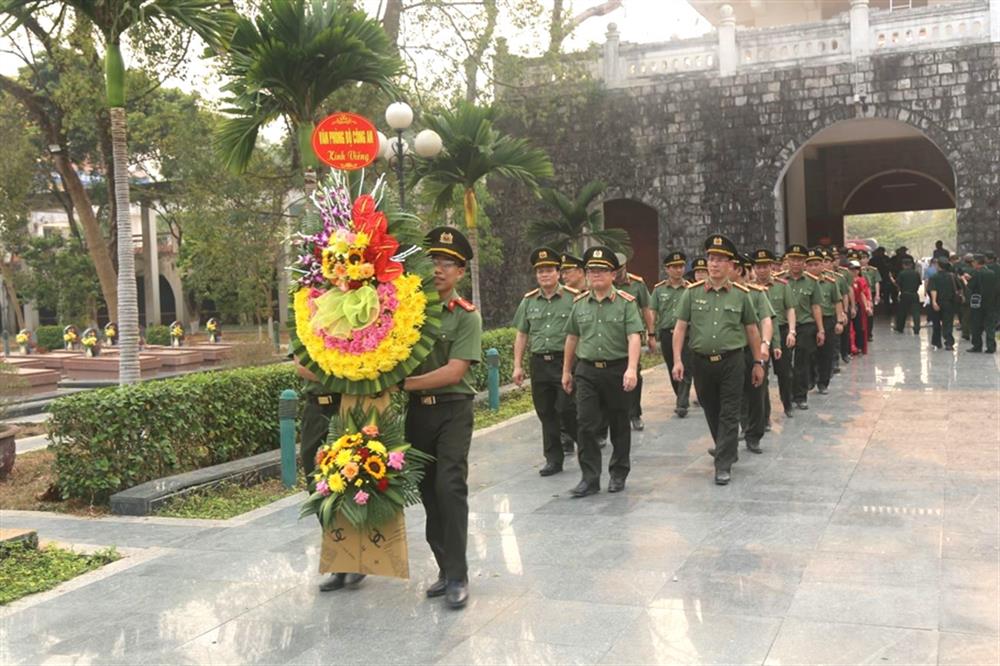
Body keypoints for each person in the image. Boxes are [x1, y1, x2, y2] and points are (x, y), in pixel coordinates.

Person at [402, 226, 483, 609]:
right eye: (432, 261)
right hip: (418, 414)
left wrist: (405, 383)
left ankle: (458, 575)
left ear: (460, 272)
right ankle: (442, 566)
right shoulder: (407, 313)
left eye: (447, 264)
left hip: (453, 409)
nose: (438, 269)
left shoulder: (466, 316)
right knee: (428, 491)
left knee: (450, 487)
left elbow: (455, 371)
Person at [672, 234, 764, 485]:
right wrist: (678, 360)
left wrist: (758, 362)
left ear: (731, 265)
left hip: (732, 361)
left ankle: (722, 464)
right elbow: (680, 328)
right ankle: (727, 447)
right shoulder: (690, 294)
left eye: (720, 260)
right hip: (700, 361)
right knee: (711, 408)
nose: (713, 264)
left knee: (730, 411)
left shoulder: (742, 295)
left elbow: (752, 330)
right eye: (711, 259)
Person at [562, 246, 643, 497]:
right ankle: (590, 478)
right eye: (592, 271)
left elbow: (633, 336)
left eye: (602, 270)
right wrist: (566, 371)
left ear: (613, 275)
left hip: (617, 369)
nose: (596, 275)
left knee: (619, 422)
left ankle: (618, 473)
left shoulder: (626, 303)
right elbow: (572, 338)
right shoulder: (579, 304)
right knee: (585, 423)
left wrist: (631, 369)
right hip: (587, 370)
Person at [295, 363, 365, 592]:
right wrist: (344, 374)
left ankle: (354, 557)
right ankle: (340, 560)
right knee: (318, 486)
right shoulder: (305, 326)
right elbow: (301, 367)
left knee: (350, 481)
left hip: (346, 406)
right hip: (316, 410)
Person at [512, 247, 579, 477]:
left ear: (558, 273)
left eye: (549, 270)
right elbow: (522, 334)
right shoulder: (529, 302)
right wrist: (517, 365)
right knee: (546, 412)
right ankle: (553, 459)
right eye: (540, 271)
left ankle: (586, 447)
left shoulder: (572, 298)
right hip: (540, 363)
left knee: (567, 408)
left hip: (565, 362)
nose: (545, 275)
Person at [735, 254, 774, 454]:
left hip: (754, 350)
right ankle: (742, 428)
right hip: (732, 352)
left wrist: (765, 345)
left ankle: (754, 434)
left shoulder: (756, 294)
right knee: (735, 395)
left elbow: (766, 320)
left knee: (756, 393)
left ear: (739, 270)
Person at [613, 254, 654, 431]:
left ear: (625, 267)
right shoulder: (606, 284)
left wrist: (651, 334)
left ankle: (635, 414)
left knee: (634, 374)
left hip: (632, 339)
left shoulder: (637, 284)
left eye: (620, 269)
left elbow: (646, 309)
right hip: (612, 339)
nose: (618, 273)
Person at [752, 249, 795, 418]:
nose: (762, 270)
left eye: (765, 266)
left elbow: (790, 308)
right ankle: (765, 416)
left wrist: (792, 331)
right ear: (754, 268)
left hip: (781, 333)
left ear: (771, 266)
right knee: (762, 377)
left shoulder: (782, 285)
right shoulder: (749, 288)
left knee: (785, 373)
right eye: (758, 267)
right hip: (758, 336)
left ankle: (788, 404)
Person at [651, 250, 693, 417]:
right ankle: (680, 395)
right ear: (667, 269)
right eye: (674, 267)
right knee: (672, 366)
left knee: (686, 365)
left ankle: (682, 402)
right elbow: (652, 312)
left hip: (687, 333)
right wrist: (651, 333)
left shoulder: (690, 289)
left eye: (681, 266)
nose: (678, 270)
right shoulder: (659, 290)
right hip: (667, 334)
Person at [785, 244, 824, 410]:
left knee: (802, 363)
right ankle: (787, 395)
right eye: (793, 259)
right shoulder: (780, 280)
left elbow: (816, 306)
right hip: (784, 326)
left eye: (799, 260)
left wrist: (820, 329)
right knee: (785, 364)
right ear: (787, 260)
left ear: (804, 262)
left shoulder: (812, 282)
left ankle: (800, 397)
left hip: (806, 326)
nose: (796, 263)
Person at [558, 253, 587, 454]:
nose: (564, 276)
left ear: (580, 271)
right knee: (564, 402)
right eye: (562, 272)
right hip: (565, 355)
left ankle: (592, 434)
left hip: (586, 356)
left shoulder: (592, 293)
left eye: (567, 271)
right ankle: (566, 436)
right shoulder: (561, 296)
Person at [811, 248, 844, 396]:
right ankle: (811, 377)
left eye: (818, 263)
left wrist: (839, 321)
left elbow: (837, 301)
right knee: (809, 353)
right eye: (810, 264)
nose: (814, 267)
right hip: (809, 321)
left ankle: (823, 382)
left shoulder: (831, 282)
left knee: (826, 352)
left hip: (828, 319)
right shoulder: (804, 282)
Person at [964, 255, 998, 354]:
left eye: (973, 262)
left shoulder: (976, 273)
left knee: (976, 325)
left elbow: (970, 286)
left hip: (977, 303)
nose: (972, 264)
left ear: (977, 262)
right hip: (991, 303)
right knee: (990, 326)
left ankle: (977, 346)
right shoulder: (992, 273)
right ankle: (991, 347)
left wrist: (966, 279)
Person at [929, 258, 959, 351]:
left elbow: (933, 290)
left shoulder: (934, 277)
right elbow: (958, 288)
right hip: (949, 303)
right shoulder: (952, 276)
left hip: (938, 302)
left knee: (936, 323)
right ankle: (949, 343)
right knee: (948, 323)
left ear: (939, 266)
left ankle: (937, 342)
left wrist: (934, 302)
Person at [848, 261, 872, 355]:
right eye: (852, 269)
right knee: (849, 329)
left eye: (856, 269)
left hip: (858, 305)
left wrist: (867, 306)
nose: (854, 271)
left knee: (859, 327)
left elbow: (863, 294)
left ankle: (859, 346)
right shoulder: (845, 280)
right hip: (848, 306)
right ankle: (850, 348)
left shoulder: (861, 280)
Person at [894, 257, 922, 334]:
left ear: (903, 265)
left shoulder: (902, 273)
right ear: (911, 265)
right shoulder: (916, 273)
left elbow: (898, 284)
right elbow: (919, 283)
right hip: (914, 294)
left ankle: (900, 327)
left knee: (902, 312)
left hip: (905, 294)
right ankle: (917, 328)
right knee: (916, 312)